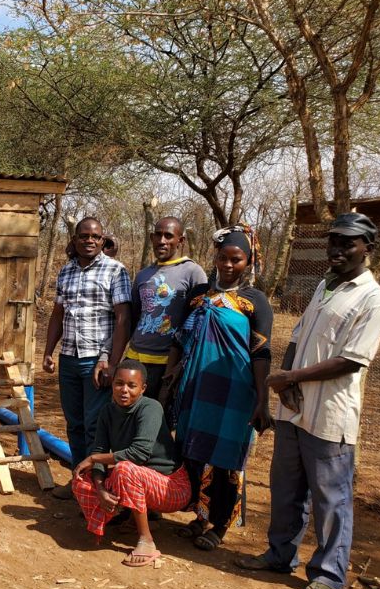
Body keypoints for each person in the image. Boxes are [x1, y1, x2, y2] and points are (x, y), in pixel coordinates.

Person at [236, 213, 380, 589]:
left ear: (367, 249)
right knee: (286, 489)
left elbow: (351, 361)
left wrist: (292, 377)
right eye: (333, 241)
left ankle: (327, 574)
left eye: (348, 243)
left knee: (330, 498)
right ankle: (279, 555)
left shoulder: (372, 298)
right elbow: (299, 336)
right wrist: (286, 382)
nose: (337, 249)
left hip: (331, 414)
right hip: (294, 409)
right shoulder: (325, 285)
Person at [162, 224, 273, 551]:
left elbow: (262, 353)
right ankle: (199, 514)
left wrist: (262, 400)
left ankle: (220, 524)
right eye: (223, 258)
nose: (227, 265)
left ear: (248, 262)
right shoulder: (199, 296)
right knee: (193, 450)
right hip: (195, 389)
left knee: (225, 457)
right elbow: (178, 342)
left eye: (236, 260)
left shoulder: (255, 302)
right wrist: (168, 384)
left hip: (234, 394)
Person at [43, 217, 132, 499]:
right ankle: (77, 480)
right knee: (75, 423)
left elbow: (123, 318)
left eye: (95, 236)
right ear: (75, 239)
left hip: (98, 361)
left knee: (95, 425)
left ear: (103, 239)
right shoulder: (66, 271)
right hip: (69, 357)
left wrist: (112, 361)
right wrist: (48, 351)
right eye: (83, 236)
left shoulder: (115, 271)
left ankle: (97, 486)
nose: (89, 240)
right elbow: (58, 315)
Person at [72, 360, 189, 566]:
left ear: (142, 388)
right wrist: (99, 488)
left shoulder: (151, 408)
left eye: (131, 385)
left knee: (124, 469)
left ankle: (147, 541)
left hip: (171, 487)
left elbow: (138, 454)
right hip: (139, 479)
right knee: (80, 478)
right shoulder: (107, 412)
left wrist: (93, 459)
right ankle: (126, 513)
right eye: (119, 384)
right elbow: (99, 450)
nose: (124, 390)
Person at [127, 217, 207, 398]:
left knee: (158, 419)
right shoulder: (142, 275)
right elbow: (133, 317)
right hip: (135, 358)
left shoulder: (193, 272)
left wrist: (181, 364)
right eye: (158, 235)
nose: (162, 241)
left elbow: (199, 322)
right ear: (151, 238)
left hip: (167, 363)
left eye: (168, 236)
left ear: (181, 240)